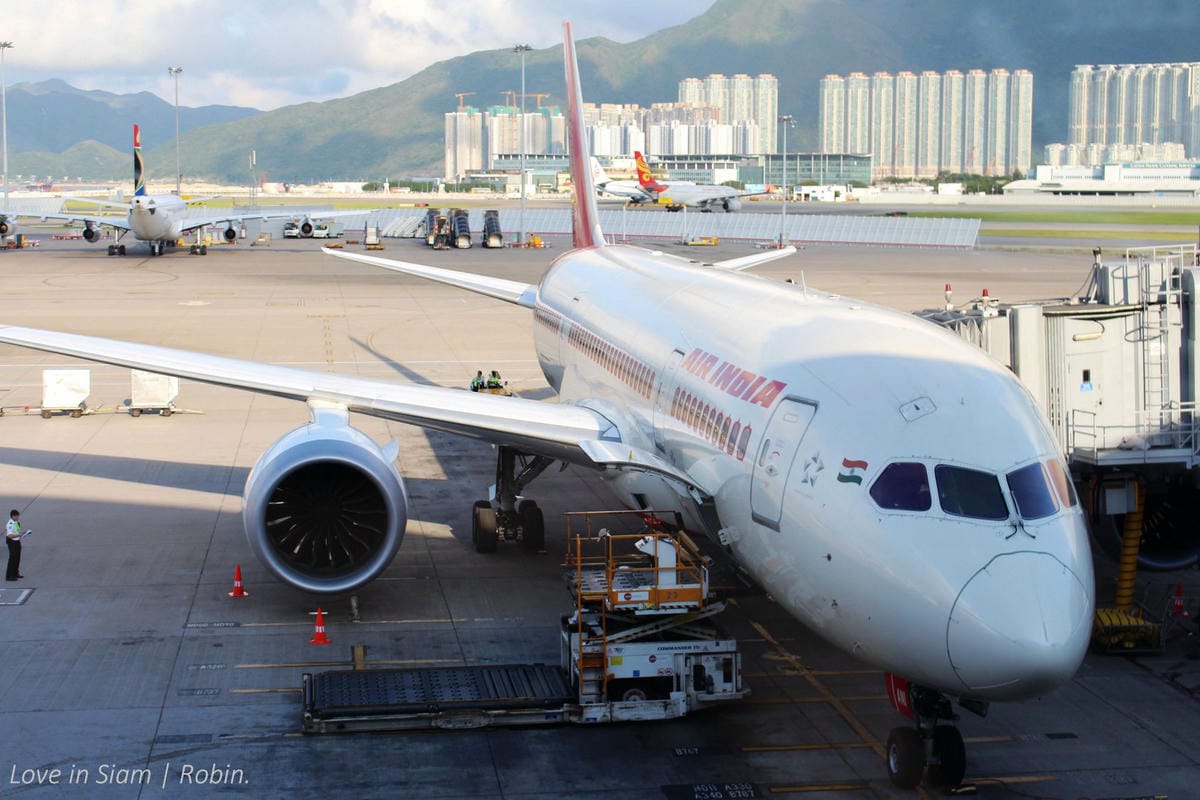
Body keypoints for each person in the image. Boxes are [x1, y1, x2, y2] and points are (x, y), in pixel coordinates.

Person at [6, 509, 24, 581]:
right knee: (12, 559)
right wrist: (18, 535)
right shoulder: (10, 524)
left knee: (17, 558)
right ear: (13, 516)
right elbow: (10, 535)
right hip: (12, 542)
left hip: (17, 541)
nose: (18, 517)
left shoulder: (16, 522)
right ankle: (9, 575)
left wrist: (22, 534)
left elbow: (17, 531)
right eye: (17, 516)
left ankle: (15, 573)